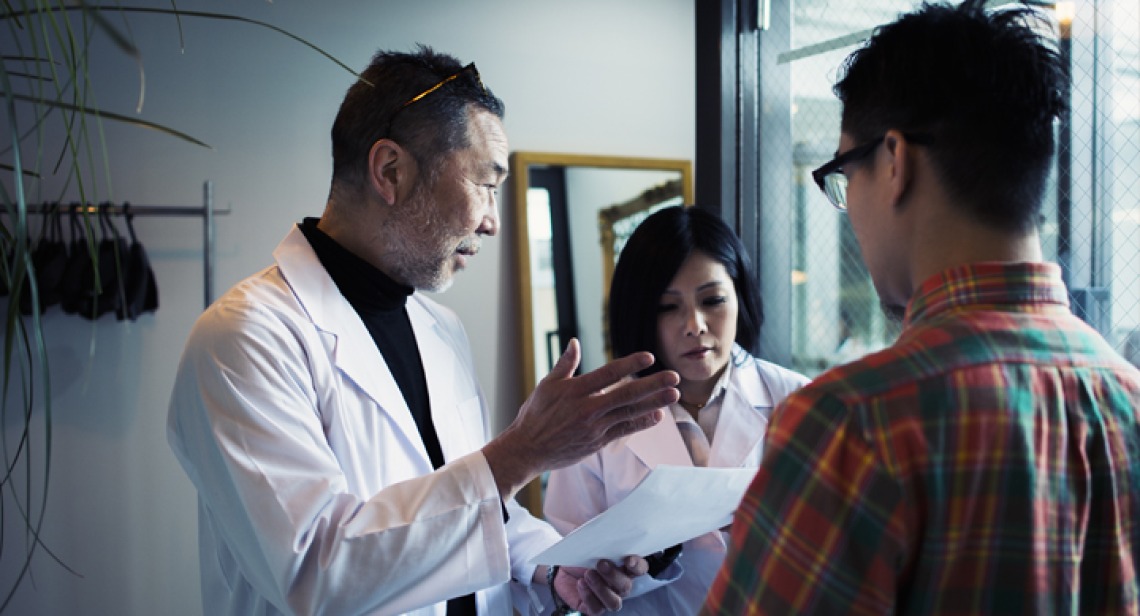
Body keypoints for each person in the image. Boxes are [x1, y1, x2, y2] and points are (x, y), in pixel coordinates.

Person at [166, 46, 682, 616]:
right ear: (391, 171)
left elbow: (477, 514)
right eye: (486, 184)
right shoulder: (244, 338)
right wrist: (523, 451)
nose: (492, 219)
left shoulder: (442, 330)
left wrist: (554, 566)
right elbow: (313, 571)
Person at [703, 1, 1140, 614]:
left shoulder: (851, 424)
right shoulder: (1128, 400)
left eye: (842, 176)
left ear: (895, 162)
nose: (848, 208)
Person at [544, 205, 809, 615]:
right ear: (641, 314)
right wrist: (626, 572)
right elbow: (566, 562)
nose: (694, 324)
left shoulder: (798, 401)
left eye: (713, 300)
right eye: (668, 307)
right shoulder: (595, 416)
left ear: (740, 297)